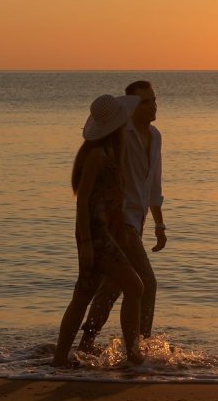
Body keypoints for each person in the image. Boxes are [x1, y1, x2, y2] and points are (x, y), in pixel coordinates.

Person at [53, 93, 146, 367]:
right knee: (135, 286)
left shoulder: (108, 152)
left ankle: (60, 358)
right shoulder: (96, 155)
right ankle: (133, 354)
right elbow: (82, 201)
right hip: (95, 236)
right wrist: (86, 244)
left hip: (102, 235)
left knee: (82, 295)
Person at [77, 80, 166, 353]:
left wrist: (159, 224)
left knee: (112, 287)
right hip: (119, 222)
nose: (152, 106)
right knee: (146, 283)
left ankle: (85, 344)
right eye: (145, 101)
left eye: (153, 100)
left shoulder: (156, 136)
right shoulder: (120, 136)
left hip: (136, 222)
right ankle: (140, 347)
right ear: (131, 106)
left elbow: (153, 184)